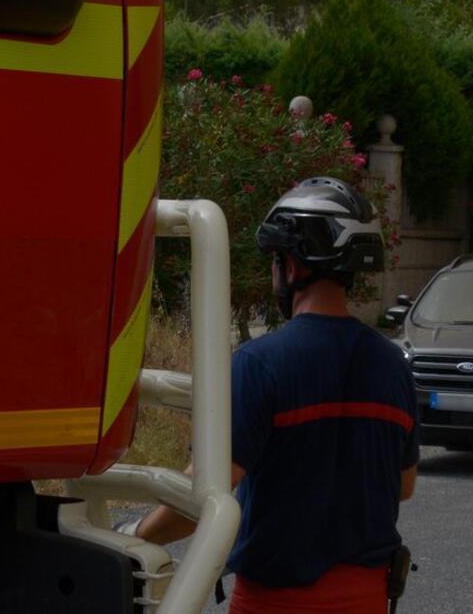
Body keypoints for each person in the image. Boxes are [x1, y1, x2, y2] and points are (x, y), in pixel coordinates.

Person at [133, 178, 414, 614]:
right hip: (368, 600)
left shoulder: (259, 364)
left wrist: (136, 536)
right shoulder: (392, 364)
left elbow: (199, 501)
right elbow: (403, 484)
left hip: (274, 603)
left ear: (292, 265)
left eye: (275, 260)